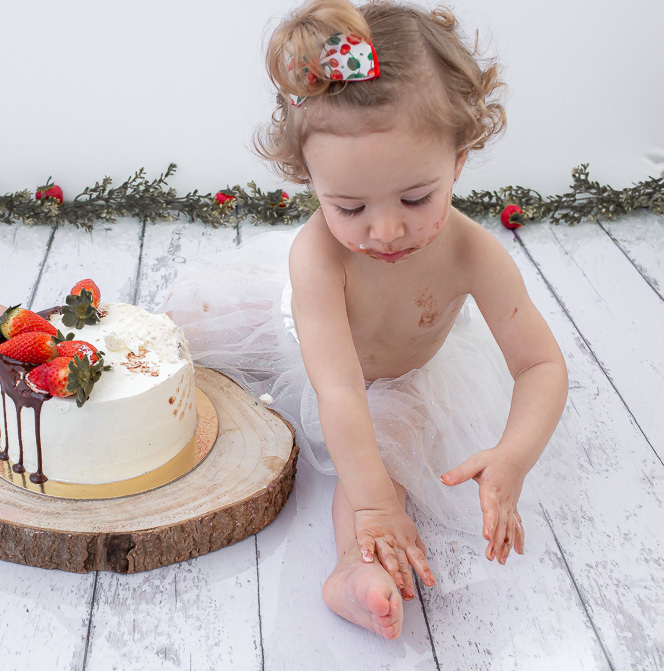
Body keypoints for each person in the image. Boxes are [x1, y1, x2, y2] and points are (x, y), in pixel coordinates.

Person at [157, 0, 569, 640]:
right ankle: (55, 334)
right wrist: (373, 495)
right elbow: (339, 390)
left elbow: (540, 364)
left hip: (411, 372)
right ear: (309, 179)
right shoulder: (318, 256)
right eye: (348, 206)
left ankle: (353, 569)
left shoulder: (472, 252)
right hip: (326, 361)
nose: (385, 230)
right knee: (173, 331)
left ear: (459, 159)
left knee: (387, 456)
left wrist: (514, 455)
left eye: (415, 197)